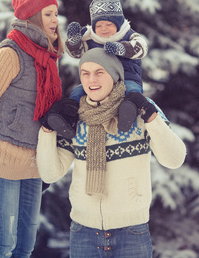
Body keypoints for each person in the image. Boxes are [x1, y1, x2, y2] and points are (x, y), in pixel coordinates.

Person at [37, 48, 187, 258]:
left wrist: (150, 116)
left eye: (100, 72)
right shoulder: (74, 118)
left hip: (131, 232)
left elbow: (175, 159)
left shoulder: (139, 109)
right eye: (85, 73)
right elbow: (50, 173)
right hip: (83, 233)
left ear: (115, 74)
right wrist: (47, 129)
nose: (92, 79)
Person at [0, 0, 64, 258]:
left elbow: (48, 114)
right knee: (3, 244)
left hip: (34, 164)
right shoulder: (10, 54)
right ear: (33, 17)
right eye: (48, 14)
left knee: (24, 247)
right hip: (4, 161)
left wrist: (49, 162)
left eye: (56, 13)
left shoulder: (48, 56)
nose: (55, 19)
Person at [44, 0, 148, 138]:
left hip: (127, 77)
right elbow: (76, 54)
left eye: (109, 24)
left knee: (132, 90)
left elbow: (141, 48)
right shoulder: (90, 35)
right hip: (98, 80)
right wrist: (74, 42)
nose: (103, 29)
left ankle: (128, 115)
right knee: (77, 92)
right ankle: (68, 119)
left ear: (119, 24)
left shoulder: (127, 34)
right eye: (99, 25)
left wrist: (121, 49)